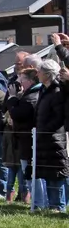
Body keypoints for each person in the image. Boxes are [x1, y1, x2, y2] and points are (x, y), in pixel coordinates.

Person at [33, 60, 68, 212]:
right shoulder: (44, 89)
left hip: (55, 138)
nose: (37, 73)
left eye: (40, 71)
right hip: (44, 138)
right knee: (48, 172)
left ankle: (58, 205)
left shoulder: (57, 91)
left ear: (47, 74)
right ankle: (52, 204)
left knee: (57, 173)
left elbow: (58, 116)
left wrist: (46, 130)